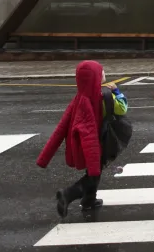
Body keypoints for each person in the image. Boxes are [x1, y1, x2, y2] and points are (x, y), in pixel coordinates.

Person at [36, 61, 127, 217]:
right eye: (101, 72)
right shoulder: (104, 97)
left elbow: (60, 129)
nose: (104, 73)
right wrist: (117, 92)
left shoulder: (79, 98)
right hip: (98, 143)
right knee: (94, 175)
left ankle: (89, 201)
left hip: (80, 145)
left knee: (94, 173)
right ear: (96, 77)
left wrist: (44, 158)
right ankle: (68, 194)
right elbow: (122, 109)